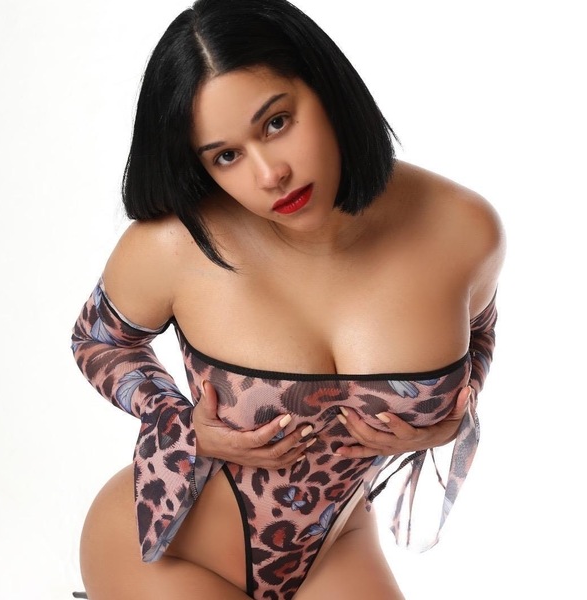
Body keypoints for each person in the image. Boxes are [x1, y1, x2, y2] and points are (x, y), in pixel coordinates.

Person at [71, 0, 504, 598]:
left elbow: (479, 331)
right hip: (166, 544)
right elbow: (99, 339)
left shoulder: (463, 229)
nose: (269, 173)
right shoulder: (175, 244)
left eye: (276, 123)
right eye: (226, 156)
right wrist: (177, 420)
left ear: (325, 86)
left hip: (335, 548)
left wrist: (453, 412)